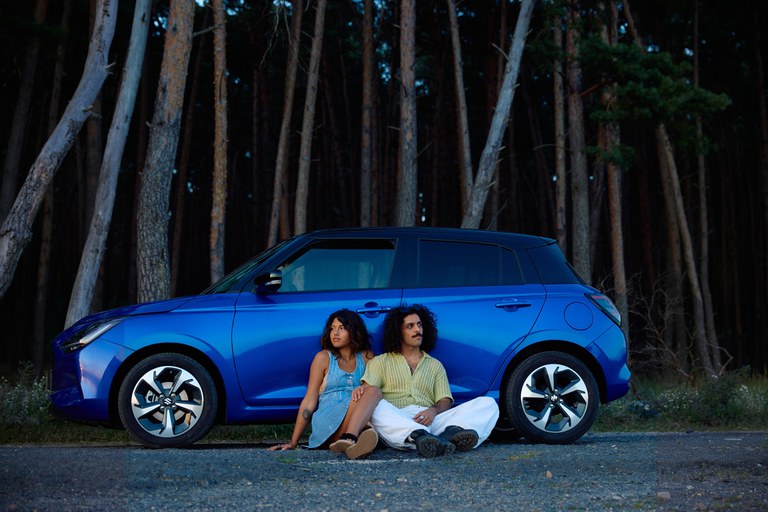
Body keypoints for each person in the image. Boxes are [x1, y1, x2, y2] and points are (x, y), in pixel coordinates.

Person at [360, 304, 499, 458]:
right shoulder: (381, 361)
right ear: (398, 332)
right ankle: (418, 436)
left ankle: (451, 434)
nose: (417, 330)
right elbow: (367, 395)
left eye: (419, 325)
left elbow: (445, 400)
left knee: (488, 404)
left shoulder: (435, 365)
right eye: (410, 326)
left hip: (431, 420)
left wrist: (433, 411)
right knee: (377, 406)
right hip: (397, 420)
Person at [268, 309, 382, 459]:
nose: (335, 333)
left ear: (354, 330)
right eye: (332, 328)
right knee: (369, 396)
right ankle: (354, 437)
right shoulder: (323, 358)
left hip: (353, 417)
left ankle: (353, 443)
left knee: (372, 391)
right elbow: (309, 400)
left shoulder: (366, 356)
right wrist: (293, 441)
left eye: (341, 328)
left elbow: (370, 388)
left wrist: (364, 388)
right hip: (328, 422)